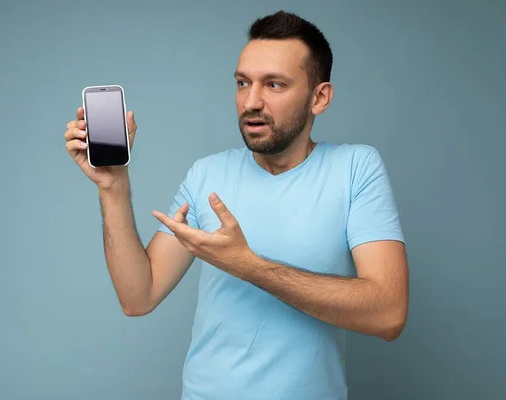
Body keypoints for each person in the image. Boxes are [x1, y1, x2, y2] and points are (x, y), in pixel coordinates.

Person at [64, 10, 409, 400]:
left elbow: (388, 314)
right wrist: (112, 188)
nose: (251, 101)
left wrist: (247, 265)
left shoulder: (355, 168)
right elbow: (137, 297)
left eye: (274, 85)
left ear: (319, 97)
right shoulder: (207, 174)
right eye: (243, 83)